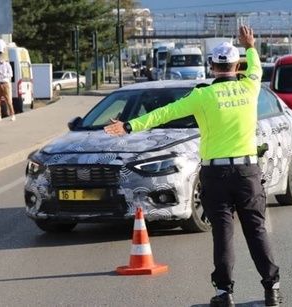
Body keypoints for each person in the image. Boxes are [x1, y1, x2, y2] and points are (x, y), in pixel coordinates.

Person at [104, 26, 281, 307]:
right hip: (248, 172)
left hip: (216, 174)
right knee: (256, 230)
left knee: (223, 234)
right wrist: (249, 45)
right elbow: (256, 66)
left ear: (211, 66)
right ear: (237, 66)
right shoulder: (250, 86)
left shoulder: (202, 97)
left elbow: (165, 113)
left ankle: (224, 294)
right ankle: (272, 289)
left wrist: (129, 125)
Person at [0, 51, 15, 121]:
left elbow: (11, 74)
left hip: (5, 83)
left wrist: (4, 74)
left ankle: (12, 114)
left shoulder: (7, 65)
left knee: (8, 100)